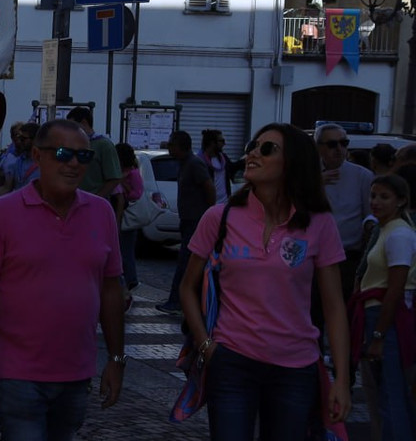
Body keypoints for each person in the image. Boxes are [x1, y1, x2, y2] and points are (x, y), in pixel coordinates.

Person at [180, 123, 351, 441]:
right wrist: (205, 345)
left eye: (266, 148)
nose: (252, 154)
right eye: (252, 146)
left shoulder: (320, 223)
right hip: (232, 362)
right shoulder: (220, 217)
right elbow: (187, 287)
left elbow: (334, 306)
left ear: (293, 162)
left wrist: (340, 378)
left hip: (296, 367)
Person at [0, 119, 125, 439]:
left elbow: (111, 289)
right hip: (18, 373)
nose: (73, 164)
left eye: (84, 156)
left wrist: (117, 357)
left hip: (77, 373)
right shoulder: (3, 213)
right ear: (38, 157)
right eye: (64, 154)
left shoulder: (101, 212)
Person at [349, 174, 416, 441]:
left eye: (384, 197)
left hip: (387, 317)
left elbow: (395, 288)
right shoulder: (386, 229)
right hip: (376, 313)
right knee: (385, 393)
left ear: (400, 201)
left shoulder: (399, 234)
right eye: (373, 195)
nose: (375, 202)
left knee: (391, 394)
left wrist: (378, 334)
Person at [158, 131, 215, 315]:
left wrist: (208, 213)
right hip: (188, 219)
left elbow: (209, 188)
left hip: (195, 220)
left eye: (172, 145)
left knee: (186, 261)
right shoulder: (184, 163)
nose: (169, 148)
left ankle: (176, 300)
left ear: (180, 146)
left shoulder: (194, 164)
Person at [317, 123, 374, 303]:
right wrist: (313, 184)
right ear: (318, 147)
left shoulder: (362, 176)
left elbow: (370, 214)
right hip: (312, 257)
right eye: (332, 144)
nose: (339, 149)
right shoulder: (305, 174)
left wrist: (370, 225)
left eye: (344, 143)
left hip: (347, 256)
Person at [65, 106, 121, 198]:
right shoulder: (72, 144)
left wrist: (97, 198)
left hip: (93, 201)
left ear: (83, 122)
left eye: (73, 126)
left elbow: (114, 178)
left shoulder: (103, 145)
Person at [114, 142, 144, 293]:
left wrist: (123, 186)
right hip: (121, 214)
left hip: (127, 216)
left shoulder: (133, 174)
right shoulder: (121, 172)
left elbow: (136, 194)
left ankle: (131, 280)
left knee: (126, 252)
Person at [200, 129, 233, 204]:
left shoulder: (223, 158)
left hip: (224, 203)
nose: (224, 144)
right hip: (208, 205)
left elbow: (233, 168)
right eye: (222, 141)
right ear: (212, 143)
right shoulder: (201, 161)